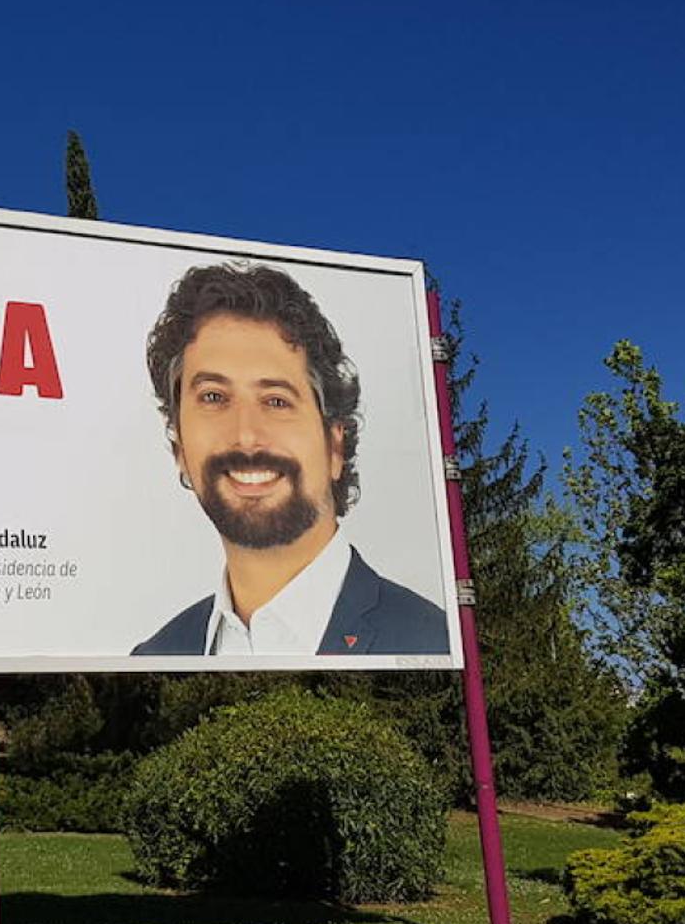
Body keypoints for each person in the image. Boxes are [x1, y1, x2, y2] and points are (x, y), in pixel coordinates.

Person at [130, 262, 447, 656]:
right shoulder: (157, 655)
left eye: (276, 401)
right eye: (213, 397)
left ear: (335, 445)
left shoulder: (431, 640)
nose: (246, 436)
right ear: (180, 448)